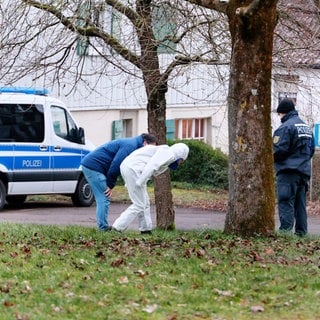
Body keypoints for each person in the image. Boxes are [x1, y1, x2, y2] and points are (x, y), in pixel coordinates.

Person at [81, 133, 158, 231]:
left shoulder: (133, 143)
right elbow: (116, 164)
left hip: (94, 166)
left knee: (103, 197)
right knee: (104, 197)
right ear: (145, 143)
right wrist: (110, 184)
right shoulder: (130, 145)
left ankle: (103, 227)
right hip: (93, 166)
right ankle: (103, 228)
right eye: (151, 148)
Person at [112, 143, 189, 234]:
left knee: (145, 202)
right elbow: (152, 166)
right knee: (139, 204)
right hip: (134, 169)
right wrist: (140, 181)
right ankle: (117, 228)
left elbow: (152, 169)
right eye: (182, 161)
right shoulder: (169, 154)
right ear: (181, 155)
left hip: (132, 168)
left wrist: (139, 181)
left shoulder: (165, 151)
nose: (181, 163)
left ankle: (146, 229)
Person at [273, 98, 315, 236]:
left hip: (288, 172)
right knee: (300, 205)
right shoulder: (307, 128)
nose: (280, 117)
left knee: (285, 202)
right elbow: (311, 151)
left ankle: (285, 235)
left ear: (283, 113)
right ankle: (301, 234)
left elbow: (278, 151)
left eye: (279, 114)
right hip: (303, 172)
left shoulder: (285, 128)